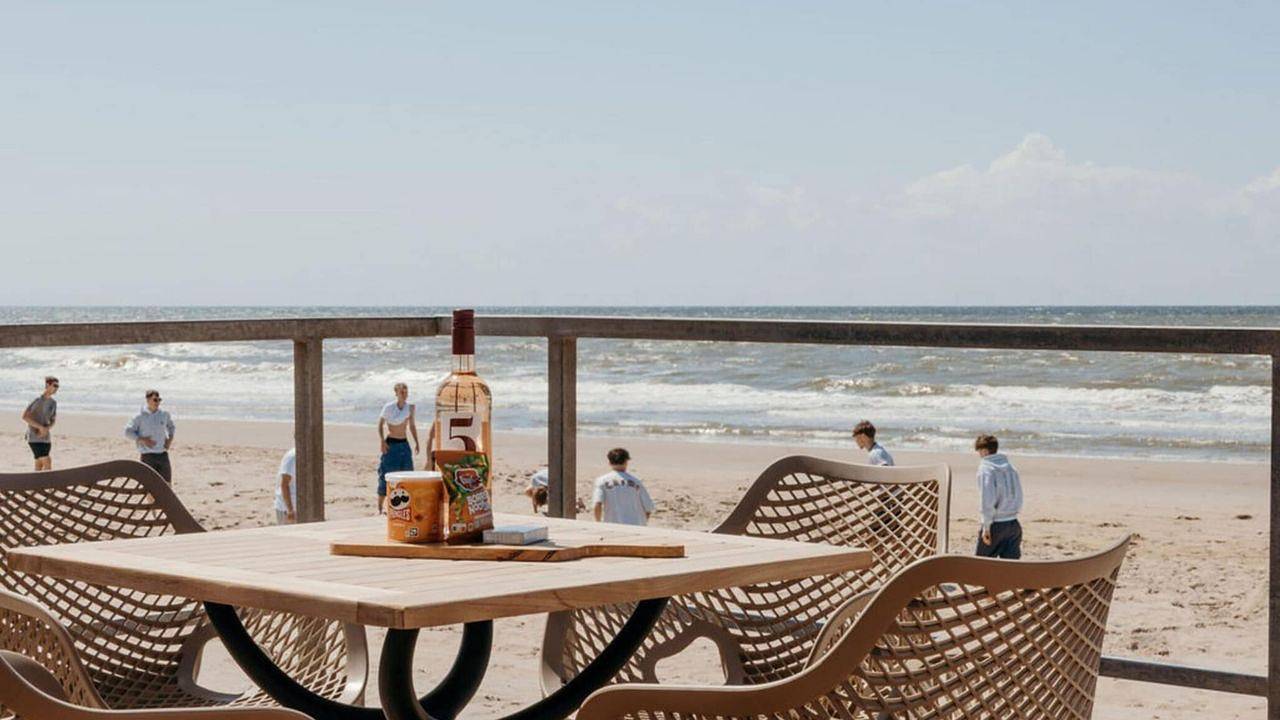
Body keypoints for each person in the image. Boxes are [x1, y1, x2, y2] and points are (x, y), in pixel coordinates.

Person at [974, 434, 1023, 559]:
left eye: (979, 451)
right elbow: (1019, 495)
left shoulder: (986, 468)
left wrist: (986, 526)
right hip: (1013, 524)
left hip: (996, 525)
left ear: (984, 451)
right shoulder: (1011, 468)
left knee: (981, 567)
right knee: (1010, 570)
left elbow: (987, 500)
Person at [376, 382, 419, 512]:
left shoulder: (410, 408)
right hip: (391, 444)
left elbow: (411, 425)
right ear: (396, 393)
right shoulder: (389, 407)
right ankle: (379, 508)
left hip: (404, 444)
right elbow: (380, 424)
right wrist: (382, 441)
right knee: (385, 474)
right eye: (402, 392)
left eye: (406, 392)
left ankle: (405, 506)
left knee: (407, 474)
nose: (404, 394)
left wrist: (416, 441)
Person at [591, 448, 655, 526]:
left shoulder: (602, 481)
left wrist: (598, 522)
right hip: (636, 525)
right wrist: (643, 522)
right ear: (626, 462)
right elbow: (648, 508)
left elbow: (597, 504)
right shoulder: (636, 482)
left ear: (609, 463)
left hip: (612, 525)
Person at [125, 390, 176, 483]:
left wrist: (170, 440)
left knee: (167, 484)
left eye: (159, 400)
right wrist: (141, 439)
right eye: (155, 400)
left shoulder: (164, 414)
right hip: (147, 455)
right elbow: (128, 431)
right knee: (150, 487)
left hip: (162, 454)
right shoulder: (139, 416)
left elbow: (171, 427)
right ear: (148, 400)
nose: (158, 402)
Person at [21, 377, 59, 471]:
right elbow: (25, 416)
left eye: (58, 386)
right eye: (55, 385)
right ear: (47, 385)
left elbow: (53, 420)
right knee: (47, 460)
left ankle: (35, 485)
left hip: (46, 439)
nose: (56, 388)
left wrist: (46, 429)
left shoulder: (53, 403)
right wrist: (40, 427)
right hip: (34, 437)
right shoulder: (37, 400)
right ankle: (49, 485)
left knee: (39, 464)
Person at [275, 447, 297, 525]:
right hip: (288, 509)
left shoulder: (308, 454)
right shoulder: (293, 457)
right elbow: (284, 485)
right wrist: (290, 510)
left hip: (302, 507)